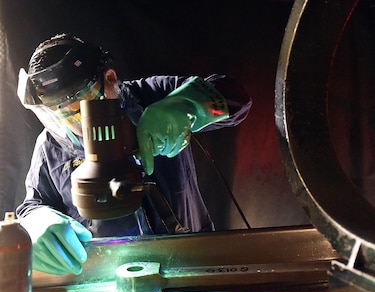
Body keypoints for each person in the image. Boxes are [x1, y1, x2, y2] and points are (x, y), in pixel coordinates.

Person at [16, 33, 252, 276]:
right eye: (61, 114)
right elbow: (33, 203)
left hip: (189, 263)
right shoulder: (51, 144)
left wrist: (188, 106)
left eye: (82, 107)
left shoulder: (154, 95)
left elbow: (236, 96)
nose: (77, 125)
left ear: (109, 79)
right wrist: (36, 222)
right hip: (107, 275)